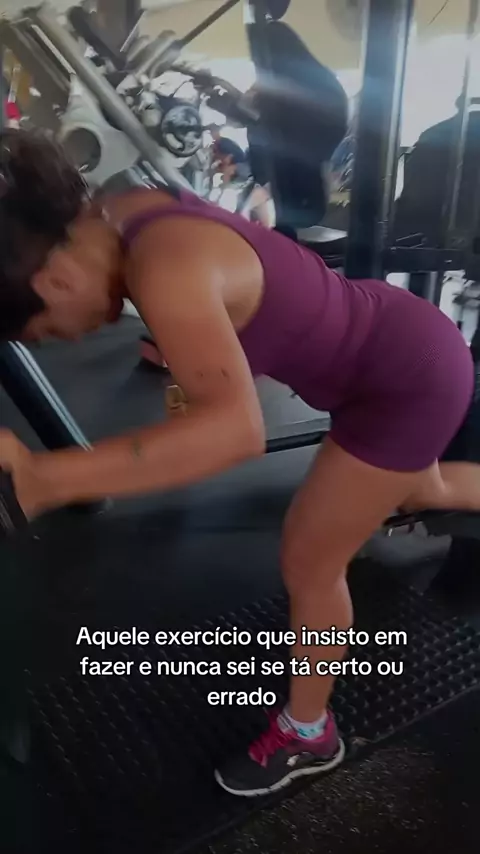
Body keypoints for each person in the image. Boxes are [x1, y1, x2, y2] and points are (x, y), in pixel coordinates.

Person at [0, 129, 479, 797]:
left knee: (310, 560)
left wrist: (43, 478)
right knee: (417, 487)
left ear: (54, 279)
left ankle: (310, 734)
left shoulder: (162, 270)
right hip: (396, 340)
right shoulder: (123, 208)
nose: (71, 336)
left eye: (50, 329)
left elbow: (234, 433)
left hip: (402, 382)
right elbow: (225, 284)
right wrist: (190, 343)